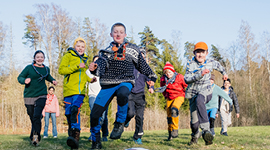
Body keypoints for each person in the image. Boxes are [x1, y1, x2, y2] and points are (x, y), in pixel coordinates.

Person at [89, 22, 157, 149]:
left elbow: (142, 65)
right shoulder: (106, 52)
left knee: (123, 93)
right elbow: (100, 68)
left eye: (121, 32)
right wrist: (94, 68)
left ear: (125, 34)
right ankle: (96, 141)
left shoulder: (133, 49)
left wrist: (152, 77)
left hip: (125, 81)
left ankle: (120, 122)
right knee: (94, 115)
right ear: (111, 34)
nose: (118, 34)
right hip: (108, 85)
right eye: (115, 32)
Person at [184, 41, 228, 145]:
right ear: (194, 53)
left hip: (206, 91)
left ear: (206, 53)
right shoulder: (190, 64)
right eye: (198, 52)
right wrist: (200, 74)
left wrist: (224, 74)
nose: (200, 54)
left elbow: (219, 66)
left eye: (202, 52)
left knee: (200, 99)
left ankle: (206, 131)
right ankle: (195, 136)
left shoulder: (211, 62)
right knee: (194, 123)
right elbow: (186, 79)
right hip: (193, 93)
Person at [58, 37, 94, 149]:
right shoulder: (68, 56)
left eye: (83, 47)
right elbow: (61, 70)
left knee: (75, 110)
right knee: (69, 113)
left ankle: (75, 135)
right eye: (78, 46)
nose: (80, 48)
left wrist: (90, 79)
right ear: (74, 46)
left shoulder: (85, 59)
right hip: (69, 90)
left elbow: (83, 74)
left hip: (80, 91)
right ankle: (71, 133)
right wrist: (76, 66)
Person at [17, 50, 57, 146]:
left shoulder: (46, 69)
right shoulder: (29, 68)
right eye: (38, 57)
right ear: (34, 58)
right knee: (33, 117)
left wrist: (53, 80)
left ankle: (36, 137)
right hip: (29, 95)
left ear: (44, 58)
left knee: (36, 116)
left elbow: (48, 76)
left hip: (41, 95)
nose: (40, 59)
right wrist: (25, 80)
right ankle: (33, 133)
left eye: (42, 57)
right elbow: (20, 77)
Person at [124, 48, 154, 145]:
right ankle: (126, 120)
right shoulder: (130, 67)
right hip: (130, 94)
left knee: (140, 117)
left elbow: (150, 80)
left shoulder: (146, 69)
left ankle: (137, 136)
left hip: (140, 95)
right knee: (130, 113)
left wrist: (151, 87)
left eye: (143, 57)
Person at [158, 62, 187, 141]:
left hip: (179, 95)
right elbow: (162, 88)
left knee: (174, 110)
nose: (168, 74)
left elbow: (186, 84)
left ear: (173, 71)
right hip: (169, 97)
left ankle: (175, 129)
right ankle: (170, 133)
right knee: (169, 116)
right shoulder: (163, 79)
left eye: (170, 72)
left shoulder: (179, 77)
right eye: (166, 73)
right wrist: (165, 95)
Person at [86, 55, 109, 142]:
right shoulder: (88, 71)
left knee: (103, 117)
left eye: (98, 61)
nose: (97, 63)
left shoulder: (104, 71)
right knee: (94, 115)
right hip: (92, 95)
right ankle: (93, 135)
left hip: (103, 95)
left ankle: (105, 134)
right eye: (95, 61)